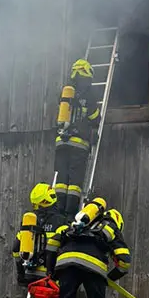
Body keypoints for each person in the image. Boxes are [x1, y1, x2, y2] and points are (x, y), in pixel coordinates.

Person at [11, 183, 69, 298]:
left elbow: (16, 249)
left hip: (30, 271)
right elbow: (62, 247)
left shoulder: (29, 221)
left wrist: (20, 273)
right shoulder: (60, 221)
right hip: (48, 272)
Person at [54, 58, 101, 216]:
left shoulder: (66, 92)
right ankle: (70, 212)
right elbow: (94, 117)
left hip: (61, 141)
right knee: (74, 181)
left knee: (61, 178)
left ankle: (58, 210)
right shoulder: (89, 93)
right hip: (79, 143)